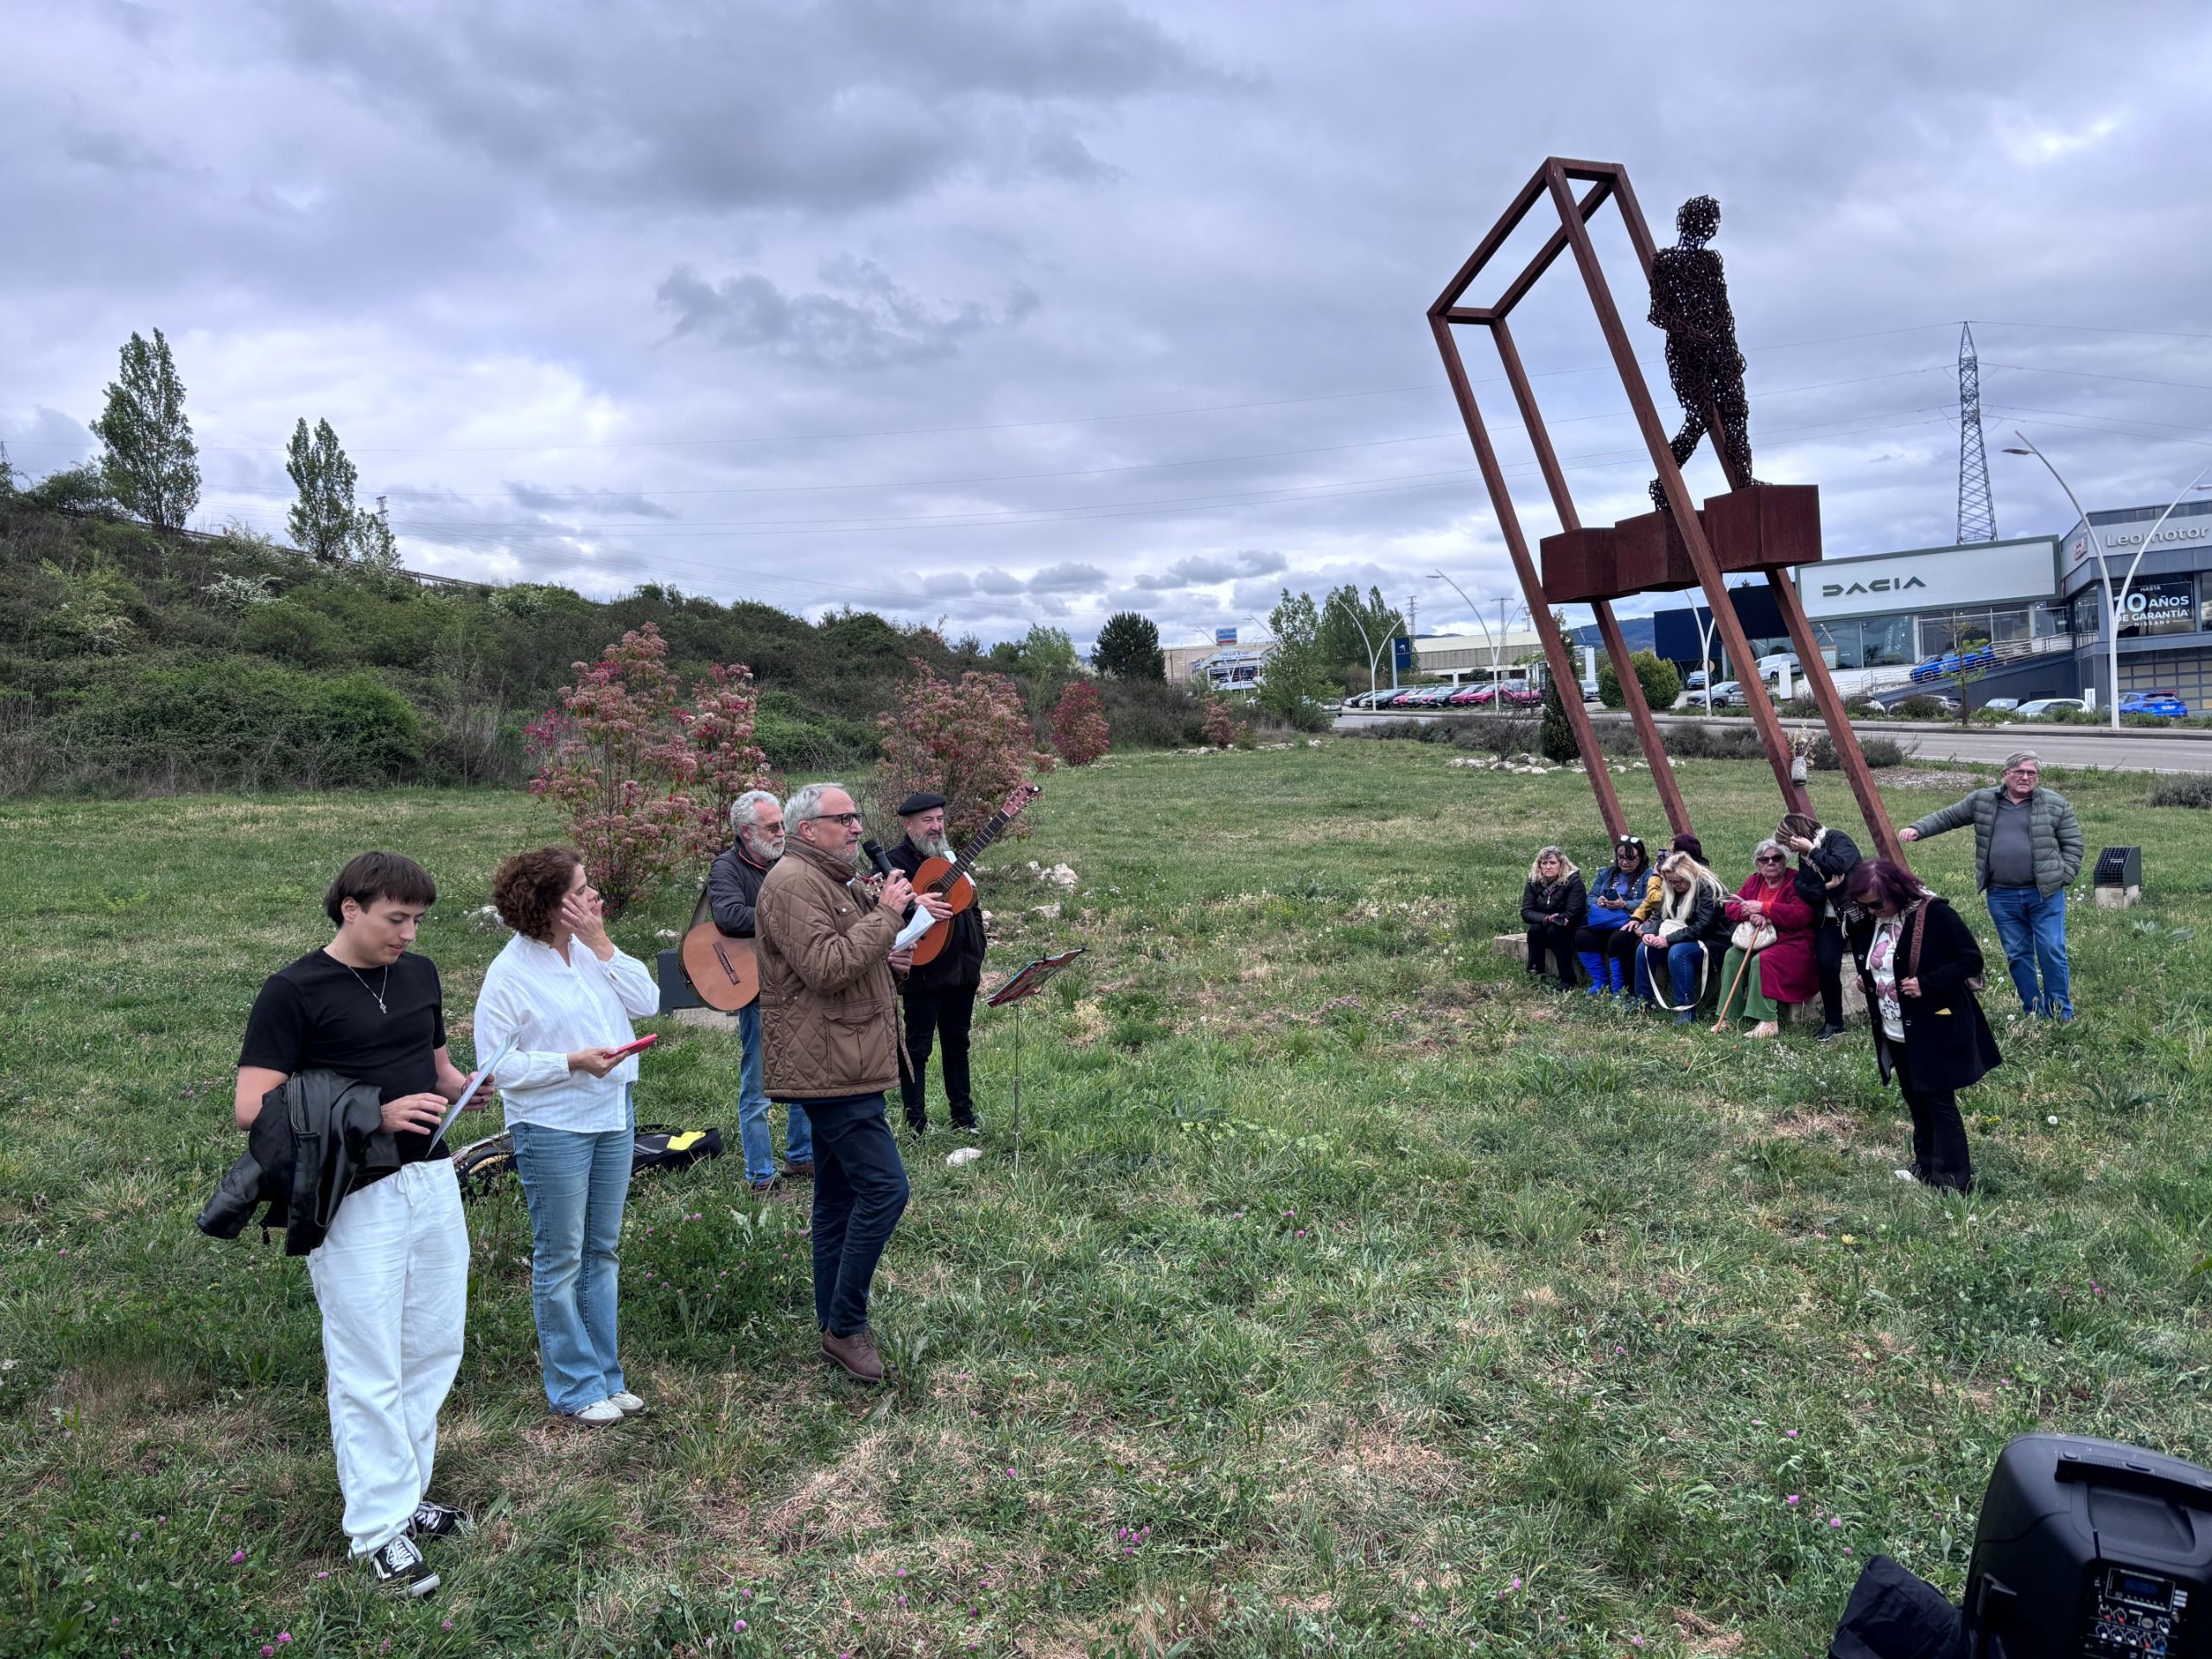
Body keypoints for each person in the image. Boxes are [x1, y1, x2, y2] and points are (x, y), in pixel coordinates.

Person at [233, 852, 486, 1596]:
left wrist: (468, 1084)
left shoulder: (419, 975)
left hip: (431, 1178)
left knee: (431, 1346)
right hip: (352, 1194)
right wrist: (372, 1114)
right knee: (367, 1360)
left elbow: (436, 1069)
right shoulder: (293, 991)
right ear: (350, 908)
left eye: (418, 921)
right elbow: (253, 1107)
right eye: (395, 919)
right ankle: (377, 1530)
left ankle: (406, 1497)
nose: (409, 934)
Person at [754, 781, 944, 1385]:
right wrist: (887, 914)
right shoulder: (792, 883)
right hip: (829, 1066)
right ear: (807, 829)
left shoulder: (830, 880)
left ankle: (832, 1318)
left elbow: (848, 958)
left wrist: (891, 956)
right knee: (886, 1190)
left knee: (836, 1198)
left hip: (845, 1058)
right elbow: (826, 967)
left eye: (857, 817)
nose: (858, 827)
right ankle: (846, 1326)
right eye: (845, 819)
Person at [473, 847, 659, 1428]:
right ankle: (575, 1387)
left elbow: (649, 1002)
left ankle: (607, 1377)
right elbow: (497, 1069)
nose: (593, 895)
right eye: (580, 891)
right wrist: (572, 1062)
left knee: (601, 1250)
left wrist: (603, 943)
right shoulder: (509, 974)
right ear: (549, 906)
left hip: (614, 1112)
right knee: (561, 1257)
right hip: (553, 1125)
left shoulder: (588, 950)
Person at [1845, 859, 2002, 1192]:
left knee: (1938, 1101)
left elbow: (1970, 960)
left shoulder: (1935, 914)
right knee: (1915, 1096)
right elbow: (1879, 962)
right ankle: (1926, 1166)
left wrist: (1927, 984)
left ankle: (1954, 1180)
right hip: (1895, 1026)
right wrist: (1868, 980)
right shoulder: (1870, 920)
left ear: (1896, 891)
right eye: (1865, 905)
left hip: (1934, 1024)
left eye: (1876, 904)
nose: (1871, 911)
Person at [1900, 751, 2082, 1020]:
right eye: (2019, 772)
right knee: (2018, 955)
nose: (2026, 777)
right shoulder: (1983, 800)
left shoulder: (2055, 804)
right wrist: (1918, 829)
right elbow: (1949, 817)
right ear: (2005, 775)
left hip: (2044, 895)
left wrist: (2063, 876)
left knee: (2052, 951)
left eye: (2032, 773)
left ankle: (2061, 1013)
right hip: (2002, 895)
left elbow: (2074, 845)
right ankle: (2034, 1011)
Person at [706, 790, 814, 1190]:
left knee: (803, 1076)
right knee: (758, 1087)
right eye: (773, 827)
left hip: (795, 983)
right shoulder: (726, 867)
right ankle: (760, 1176)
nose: (782, 833)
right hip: (757, 989)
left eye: (783, 825)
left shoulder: (788, 861)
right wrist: (787, 916)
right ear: (747, 832)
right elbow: (730, 915)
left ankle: (801, 1157)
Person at [886, 791, 986, 1135]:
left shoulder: (951, 858)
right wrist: (915, 905)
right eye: (927, 820)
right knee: (917, 1049)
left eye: (940, 819)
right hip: (924, 972)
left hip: (962, 970)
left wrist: (977, 948)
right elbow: (882, 915)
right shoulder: (892, 864)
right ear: (908, 825)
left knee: (958, 1045)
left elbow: (971, 905)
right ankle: (915, 1123)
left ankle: (964, 1118)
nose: (936, 826)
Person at [1713, 838, 1817, 1039]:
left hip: (1791, 941)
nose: (1770, 863)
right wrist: (1749, 914)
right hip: (1758, 938)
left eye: (1776, 858)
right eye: (1764, 859)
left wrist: (1765, 909)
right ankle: (1729, 1016)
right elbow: (1731, 906)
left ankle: (1768, 1021)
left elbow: (1802, 914)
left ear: (1785, 860)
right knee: (1732, 956)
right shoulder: (1754, 881)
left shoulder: (1795, 881)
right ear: (1758, 863)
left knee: (1763, 960)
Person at [1779, 810, 1862, 1041]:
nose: (1789, 848)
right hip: (1829, 919)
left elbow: (1839, 865)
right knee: (1826, 965)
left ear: (1799, 835)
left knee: (1866, 965)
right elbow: (1804, 889)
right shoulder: (1804, 857)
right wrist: (1827, 887)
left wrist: (1813, 850)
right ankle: (1834, 1023)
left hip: (1857, 914)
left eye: (1789, 841)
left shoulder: (1836, 839)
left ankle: (1882, 1015)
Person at [1633, 850, 1730, 1022]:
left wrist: (1668, 939)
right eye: (1670, 881)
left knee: (1678, 953)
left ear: (1690, 875)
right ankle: (1643, 1002)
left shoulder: (1708, 887)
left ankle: (1686, 1010)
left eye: (1678, 881)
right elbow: (1660, 915)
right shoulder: (1671, 886)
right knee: (1644, 949)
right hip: (1682, 935)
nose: (1674, 885)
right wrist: (1650, 933)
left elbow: (1704, 926)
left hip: (1712, 940)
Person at [1577, 834, 1662, 995]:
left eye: (1630, 858)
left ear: (1641, 857)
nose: (1625, 862)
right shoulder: (1606, 873)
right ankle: (1600, 983)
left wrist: (1625, 904)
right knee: (1582, 936)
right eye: (1621, 857)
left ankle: (1621, 990)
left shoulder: (1648, 875)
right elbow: (1591, 896)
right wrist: (1599, 901)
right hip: (1605, 919)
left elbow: (1649, 901)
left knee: (1618, 940)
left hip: (1630, 920)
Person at [1519, 845, 1587, 990]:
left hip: (1569, 926)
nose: (1548, 867)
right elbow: (1526, 911)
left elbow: (1573, 911)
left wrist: (1557, 919)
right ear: (1539, 865)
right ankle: (1535, 972)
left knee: (1555, 931)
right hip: (1545, 922)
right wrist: (1546, 918)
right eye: (1544, 863)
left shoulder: (1573, 881)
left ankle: (1568, 979)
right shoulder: (1533, 881)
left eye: (1552, 863)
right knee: (1535, 930)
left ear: (1561, 864)